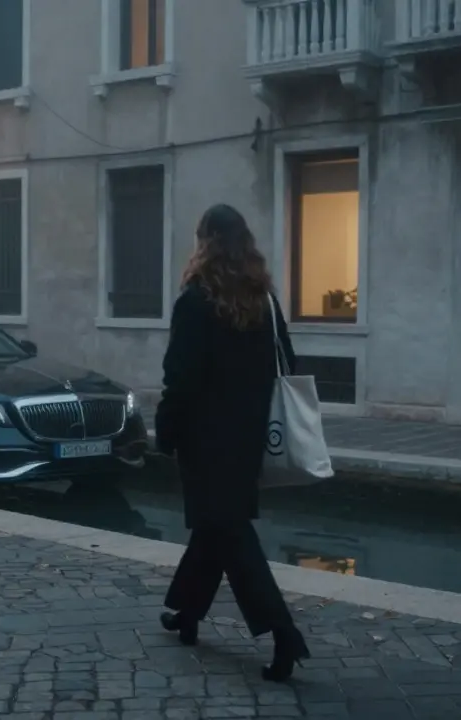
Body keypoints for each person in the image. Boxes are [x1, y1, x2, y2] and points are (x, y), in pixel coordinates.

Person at [154, 203, 310, 682]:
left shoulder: (195, 300)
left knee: (230, 535)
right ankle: (186, 612)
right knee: (214, 529)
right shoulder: (265, 300)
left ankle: (284, 634)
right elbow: (285, 361)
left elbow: (179, 378)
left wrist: (165, 431)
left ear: (204, 243)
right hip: (249, 440)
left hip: (204, 441)